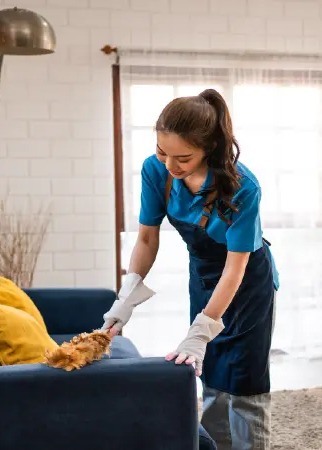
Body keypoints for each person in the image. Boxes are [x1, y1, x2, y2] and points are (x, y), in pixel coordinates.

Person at [101, 88, 279, 449]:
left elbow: (236, 267)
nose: (170, 165)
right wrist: (125, 303)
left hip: (245, 284)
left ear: (209, 148)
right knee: (210, 374)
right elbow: (147, 239)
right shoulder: (157, 172)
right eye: (162, 152)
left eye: (182, 157)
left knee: (245, 384)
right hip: (202, 276)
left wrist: (202, 328)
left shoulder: (243, 187)